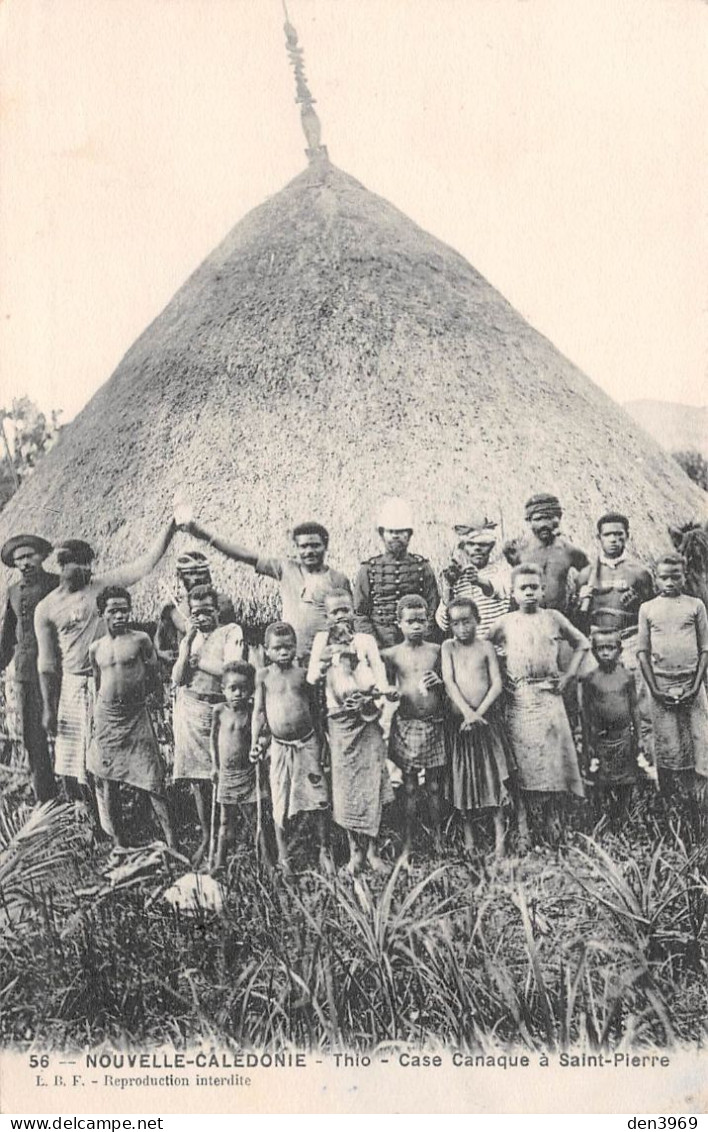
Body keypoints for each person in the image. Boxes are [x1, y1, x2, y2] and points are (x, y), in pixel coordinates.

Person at [34, 520, 177, 800]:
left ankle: (115, 818)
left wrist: (170, 529)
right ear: (63, 566)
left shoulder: (103, 586)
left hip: (108, 682)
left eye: (90, 564)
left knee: (108, 754)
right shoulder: (46, 608)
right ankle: (86, 819)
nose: (88, 570)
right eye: (80, 564)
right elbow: (47, 664)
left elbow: (144, 564)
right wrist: (48, 708)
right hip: (74, 685)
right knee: (71, 758)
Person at [489, 564, 589, 849]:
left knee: (554, 761)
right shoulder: (505, 622)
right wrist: (500, 673)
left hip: (549, 696)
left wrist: (567, 677)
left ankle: (553, 823)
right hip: (520, 699)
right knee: (523, 763)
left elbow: (582, 643)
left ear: (543, 590)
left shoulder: (554, 617)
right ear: (513, 592)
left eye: (534, 587)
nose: (529, 592)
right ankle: (523, 827)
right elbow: (482, 648)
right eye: (523, 588)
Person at [307, 590, 396, 874]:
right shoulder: (323, 640)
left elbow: (381, 678)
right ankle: (354, 852)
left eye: (345, 609)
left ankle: (372, 850)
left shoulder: (365, 640)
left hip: (368, 717)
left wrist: (377, 703)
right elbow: (312, 678)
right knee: (345, 788)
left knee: (371, 783)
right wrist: (325, 659)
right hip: (340, 722)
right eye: (334, 612)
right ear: (326, 616)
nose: (340, 616)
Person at [184, 519, 350, 663]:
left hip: (324, 658)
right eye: (304, 546)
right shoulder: (286, 569)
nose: (309, 551)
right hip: (289, 656)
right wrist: (204, 535)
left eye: (315, 545)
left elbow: (348, 620)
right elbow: (246, 556)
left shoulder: (337, 579)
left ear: (325, 546)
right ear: (296, 548)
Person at [88, 586, 175, 855]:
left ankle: (173, 843)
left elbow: (154, 673)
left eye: (124, 610)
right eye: (113, 611)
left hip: (135, 715)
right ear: (102, 614)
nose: (120, 615)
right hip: (107, 718)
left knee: (152, 778)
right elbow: (97, 682)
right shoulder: (95, 648)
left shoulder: (141, 640)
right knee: (108, 778)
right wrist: (97, 716)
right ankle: (119, 843)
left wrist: (152, 699)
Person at [172, 585, 246, 865]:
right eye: (196, 613)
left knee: (223, 773)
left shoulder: (231, 632)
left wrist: (201, 661)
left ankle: (227, 835)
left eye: (206, 611)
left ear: (217, 610)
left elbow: (232, 671)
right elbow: (178, 679)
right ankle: (207, 835)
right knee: (197, 779)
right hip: (190, 708)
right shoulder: (190, 638)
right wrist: (185, 650)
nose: (201, 618)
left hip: (219, 709)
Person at [251, 622, 330, 874]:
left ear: (296, 648)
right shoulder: (263, 676)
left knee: (318, 796)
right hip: (279, 746)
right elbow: (259, 711)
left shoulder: (303, 674)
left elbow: (316, 711)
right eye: (278, 648)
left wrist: (323, 741)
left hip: (307, 743)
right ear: (267, 650)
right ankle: (284, 854)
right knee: (279, 799)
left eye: (289, 647)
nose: (284, 652)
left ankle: (324, 848)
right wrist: (255, 742)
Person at [637, 554, 708, 830]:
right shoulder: (648, 609)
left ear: (684, 573)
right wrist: (655, 689)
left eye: (675, 576)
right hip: (661, 687)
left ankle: (698, 807)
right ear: (656, 577)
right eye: (664, 577)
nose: (669, 582)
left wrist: (695, 686)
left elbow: (704, 649)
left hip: (692, 684)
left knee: (699, 740)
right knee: (666, 745)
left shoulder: (695, 606)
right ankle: (670, 807)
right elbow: (643, 653)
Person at [577, 511, 655, 750]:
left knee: (641, 703)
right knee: (594, 703)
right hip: (597, 643)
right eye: (608, 535)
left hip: (629, 639)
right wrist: (580, 601)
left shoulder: (639, 573)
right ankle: (598, 764)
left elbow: (652, 614)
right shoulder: (586, 575)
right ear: (598, 538)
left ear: (627, 537)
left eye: (619, 535)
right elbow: (578, 621)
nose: (613, 540)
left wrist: (640, 600)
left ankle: (646, 763)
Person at [441, 597, 512, 857]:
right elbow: (449, 682)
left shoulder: (486, 647)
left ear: (478, 620)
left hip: (486, 725)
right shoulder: (448, 648)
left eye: (467, 621)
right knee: (464, 783)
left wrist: (479, 714)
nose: (462, 628)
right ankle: (470, 842)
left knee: (493, 782)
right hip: (461, 727)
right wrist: (467, 714)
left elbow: (496, 684)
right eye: (456, 623)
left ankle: (500, 843)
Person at [381, 595, 446, 862]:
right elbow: (383, 686)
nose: (416, 626)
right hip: (406, 725)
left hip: (433, 725)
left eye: (421, 620)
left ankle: (439, 837)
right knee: (408, 787)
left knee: (433, 787)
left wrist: (439, 682)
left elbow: (448, 685)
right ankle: (407, 841)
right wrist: (391, 694)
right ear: (399, 624)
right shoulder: (392, 654)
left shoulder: (437, 651)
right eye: (410, 621)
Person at [0, 534, 59, 803]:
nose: (24, 563)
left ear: (42, 556)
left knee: (66, 729)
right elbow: (8, 636)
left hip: (57, 668)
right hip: (25, 673)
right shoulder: (13, 593)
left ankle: (81, 796)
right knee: (32, 736)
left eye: (29, 556)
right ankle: (47, 799)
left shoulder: (56, 585)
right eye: (18, 559)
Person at [353, 497, 440, 648]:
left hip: (417, 643)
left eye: (400, 531)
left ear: (409, 534)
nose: (395, 536)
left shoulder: (423, 568)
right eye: (391, 531)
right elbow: (360, 613)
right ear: (382, 534)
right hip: (379, 644)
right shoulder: (368, 570)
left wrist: (420, 643)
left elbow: (432, 609)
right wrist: (375, 645)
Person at [210, 660, 269, 872]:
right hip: (227, 774)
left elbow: (265, 734)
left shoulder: (253, 712)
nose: (238, 693)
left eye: (243, 688)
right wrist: (215, 767)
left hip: (249, 773)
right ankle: (219, 861)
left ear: (251, 690)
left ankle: (265, 860)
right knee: (225, 820)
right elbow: (213, 741)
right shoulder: (219, 712)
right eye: (233, 688)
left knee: (256, 819)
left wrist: (261, 746)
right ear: (223, 689)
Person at [580, 629, 642, 828]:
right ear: (593, 651)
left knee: (626, 778)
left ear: (620, 650)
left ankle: (623, 816)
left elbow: (634, 708)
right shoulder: (590, 679)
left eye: (610, 648)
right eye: (600, 648)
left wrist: (638, 738)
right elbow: (586, 713)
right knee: (602, 780)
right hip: (601, 738)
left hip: (623, 736)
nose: (606, 653)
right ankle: (602, 818)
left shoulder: (627, 676)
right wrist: (588, 743)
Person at [504, 494, 588, 616]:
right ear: (529, 521)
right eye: (538, 519)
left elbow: (589, 571)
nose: (543, 524)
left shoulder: (568, 551)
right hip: (526, 617)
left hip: (558, 617)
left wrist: (581, 595)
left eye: (548, 518)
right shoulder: (519, 550)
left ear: (558, 519)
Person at [154, 551, 236, 667]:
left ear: (207, 575)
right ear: (180, 576)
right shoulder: (172, 609)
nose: (196, 578)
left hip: (214, 667)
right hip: (185, 671)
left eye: (200, 573)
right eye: (190, 573)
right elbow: (158, 639)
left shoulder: (221, 603)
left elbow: (232, 637)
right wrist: (161, 653)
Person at [435, 516, 510, 639]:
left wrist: (478, 581)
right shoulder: (456, 578)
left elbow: (498, 591)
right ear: (464, 547)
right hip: (466, 651)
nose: (477, 549)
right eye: (471, 544)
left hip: (494, 649)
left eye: (483, 544)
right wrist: (448, 588)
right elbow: (443, 624)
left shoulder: (501, 571)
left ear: (491, 546)